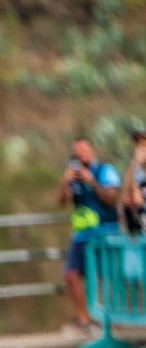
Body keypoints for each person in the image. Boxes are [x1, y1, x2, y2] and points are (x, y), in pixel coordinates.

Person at [57, 136, 121, 332]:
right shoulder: (72, 175)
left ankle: (111, 319)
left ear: (92, 150)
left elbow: (112, 199)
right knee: (71, 274)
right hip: (82, 235)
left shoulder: (105, 170)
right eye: (77, 151)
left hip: (105, 233)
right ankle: (85, 319)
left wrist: (91, 181)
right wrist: (64, 183)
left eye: (84, 150)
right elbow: (61, 202)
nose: (81, 154)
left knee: (108, 276)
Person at [121, 129, 146, 235]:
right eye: (138, 145)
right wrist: (135, 162)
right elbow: (125, 197)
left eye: (144, 145)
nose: (141, 149)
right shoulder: (136, 169)